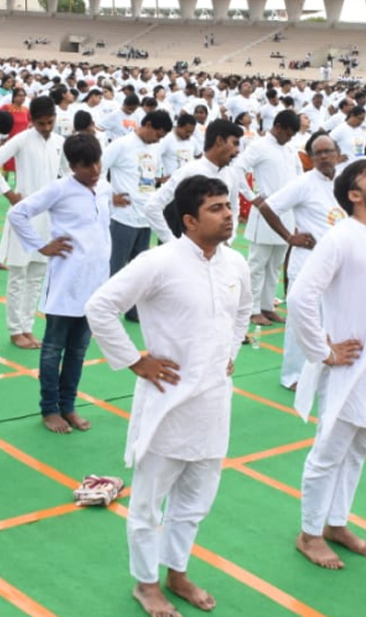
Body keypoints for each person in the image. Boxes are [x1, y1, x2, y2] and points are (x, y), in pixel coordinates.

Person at [85, 176, 250, 617]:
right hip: (168, 402)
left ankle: (177, 572)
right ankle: (146, 584)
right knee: (146, 505)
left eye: (228, 205)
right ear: (190, 220)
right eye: (216, 208)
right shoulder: (158, 261)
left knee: (195, 501)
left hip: (214, 402)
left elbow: (245, 311)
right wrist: (134, 360)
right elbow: (100, 306)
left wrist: (230, 352)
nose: (228, 213)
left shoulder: (235, 263)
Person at [288, 158, 366, 568]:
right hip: (349, 367)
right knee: (329, 451)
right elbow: (300, 297)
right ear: (355, 195)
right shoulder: (341, 237)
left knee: (361, 448)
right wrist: (323, 350)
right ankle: (310, 534)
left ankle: (336, 522)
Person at [8, 133, 113, 434]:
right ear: (71, 166)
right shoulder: (60, 189)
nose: (94, 171)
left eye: (96, 163)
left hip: (95, 284)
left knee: (79, 350)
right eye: (85, 166)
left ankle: (69, 406)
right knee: (54, 348)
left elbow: (102, 231)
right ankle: (49, 409)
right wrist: (41, 246)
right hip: (66, 281)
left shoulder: (104, 188)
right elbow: (18, 213)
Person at [254, 131, 346, 390]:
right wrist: (288, 237)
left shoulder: (344, 183)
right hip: (307, 263)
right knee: (301, 321)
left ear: (337, 153)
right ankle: (293, 375)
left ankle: (325, 370)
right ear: (311, 158)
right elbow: (268, 207)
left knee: (330, 320)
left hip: (337, 265)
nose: (325, 157)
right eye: (319, 153)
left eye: (329, 151)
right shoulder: (304, 183)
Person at [0, 96, 65, 349]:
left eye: (50, 122)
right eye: (41, 123)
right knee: (18, 274)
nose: (46, 127)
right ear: (31, 120)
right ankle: (15, 330)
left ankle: (28, 327)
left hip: (48, 217)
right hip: (25, 214)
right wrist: (10, 193)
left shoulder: (60, 142)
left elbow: (69, 173)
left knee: (37, 275)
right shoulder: (22, 139)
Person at [102, 109, 173, 321]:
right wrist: (110, 196)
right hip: (123, 217)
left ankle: (133, 310)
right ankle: (105, 311)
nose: (158, 140)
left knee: (138, 270)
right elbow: (97, 171)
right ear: (148, 125)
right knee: (115, 267)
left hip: (145, 218)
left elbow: (147, 178)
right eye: (158, 134)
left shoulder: (154, 148)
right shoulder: (121, 145)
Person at [238, 109, 303, 326]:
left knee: (275, 265)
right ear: (279, 127)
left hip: (288, 215)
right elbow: (237, 169)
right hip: (265, 213)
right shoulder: (258, 146)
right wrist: (252, 197)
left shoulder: (290, 149)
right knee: (257, 264)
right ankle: (251, 309)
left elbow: (300, 179)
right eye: (289, 133)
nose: (290, 138)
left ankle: (267, 306)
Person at [143, 119, 244, 244]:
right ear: (219, 141)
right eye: (235, 143)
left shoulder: (232, 175)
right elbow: (152, 207)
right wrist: (171, 241)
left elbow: (234, 208)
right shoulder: (189, 171)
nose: (237, 151)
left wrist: (228, 240)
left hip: (214, 252)